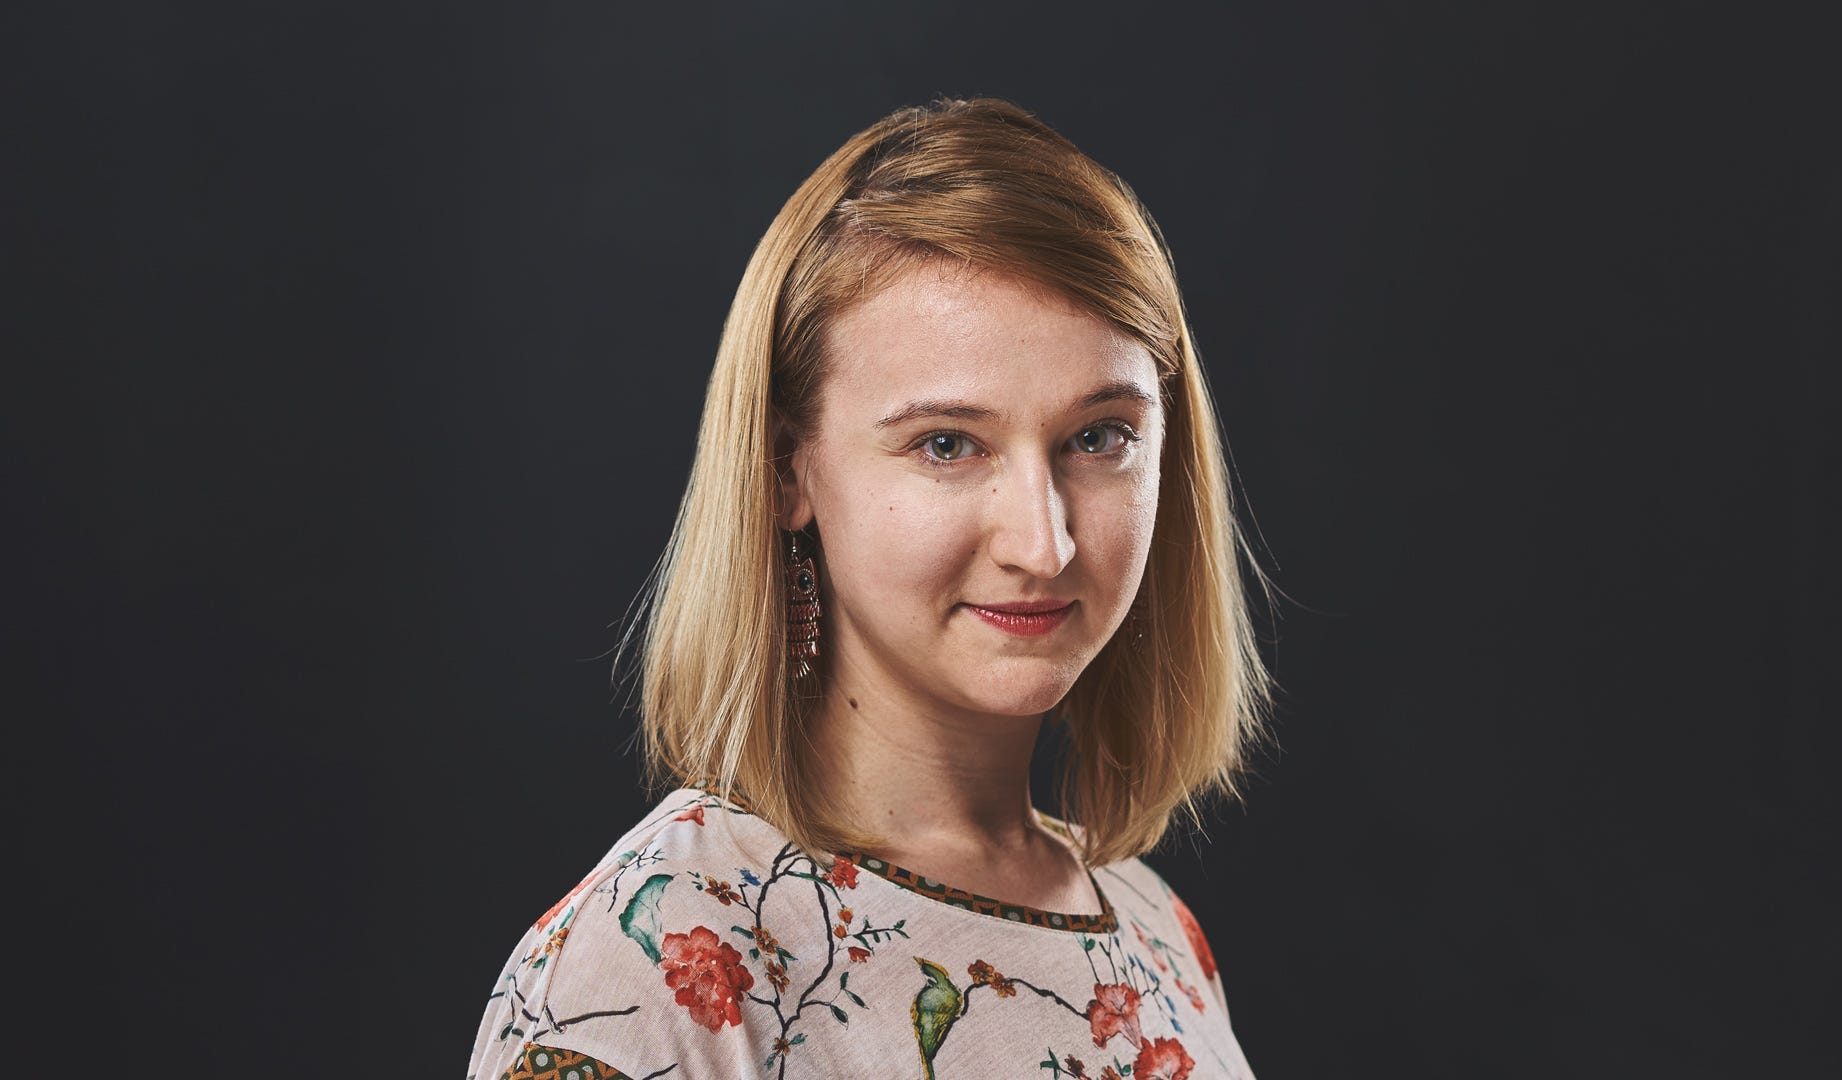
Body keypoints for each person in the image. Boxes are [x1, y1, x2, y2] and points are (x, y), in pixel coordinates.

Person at [467, 96, 1272, 1080]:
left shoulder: (1154, 932)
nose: (1043, 541)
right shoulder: (646, 966)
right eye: (947, 445)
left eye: (1098, 438)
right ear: (786, 471)